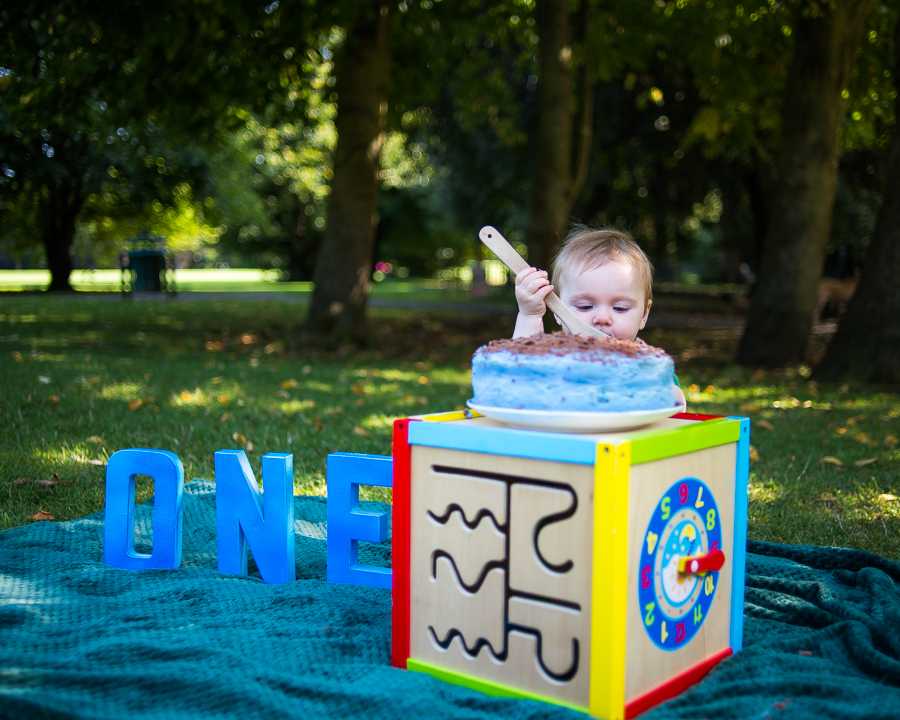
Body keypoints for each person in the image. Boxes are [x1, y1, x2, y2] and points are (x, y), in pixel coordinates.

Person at [512, 225, 686, 406]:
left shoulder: (648, 368)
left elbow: (677, 405)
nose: (602, 318)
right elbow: (518, 375)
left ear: (644, 315)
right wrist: (530, 315)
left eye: (620, 308)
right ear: (558, 310)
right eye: (585, 306)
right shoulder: (552, 363)